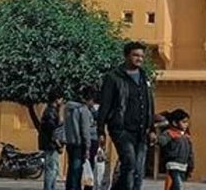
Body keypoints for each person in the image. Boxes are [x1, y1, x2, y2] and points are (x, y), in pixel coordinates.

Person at [98, 41, 156, 190]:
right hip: (121, 129)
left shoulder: (145, 77)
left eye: (142, 56)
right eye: (135, 55)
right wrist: (101, 130)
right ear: (126, 56)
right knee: (129, 163)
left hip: (142, 130)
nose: (139, 59)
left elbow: (150, 103)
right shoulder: (113, 77)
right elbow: (105, 105)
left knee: (138, 169)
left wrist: (152, 128)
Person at [62, 88, 97, 190]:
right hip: (79, 144)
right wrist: (87, 147)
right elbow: (85, 131)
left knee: (71, 169)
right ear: (89, 99)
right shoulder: (83, 110)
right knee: (77, 171)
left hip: (69, 142)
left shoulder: (68, 108)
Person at [156, 109, 194, 190]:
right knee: (177, 186)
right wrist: (157, 139)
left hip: (183, 166)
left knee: (174, 187)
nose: (186, 125)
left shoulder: (186, 137)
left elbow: (190, 153)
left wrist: (190, 166)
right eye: (183, 122)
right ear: (174, 123)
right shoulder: (169, 133)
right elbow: (161, 141)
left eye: (187, 122)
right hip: (173, 165)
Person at [38, 97, 65, 190]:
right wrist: (58, 144)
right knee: (51, 170)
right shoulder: (50, 112)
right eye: (61, 99)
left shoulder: (52, 111)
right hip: (51, 146)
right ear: (56, 99)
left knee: (53, 170)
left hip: (52, 145)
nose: (62, 101)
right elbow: (52, 131)